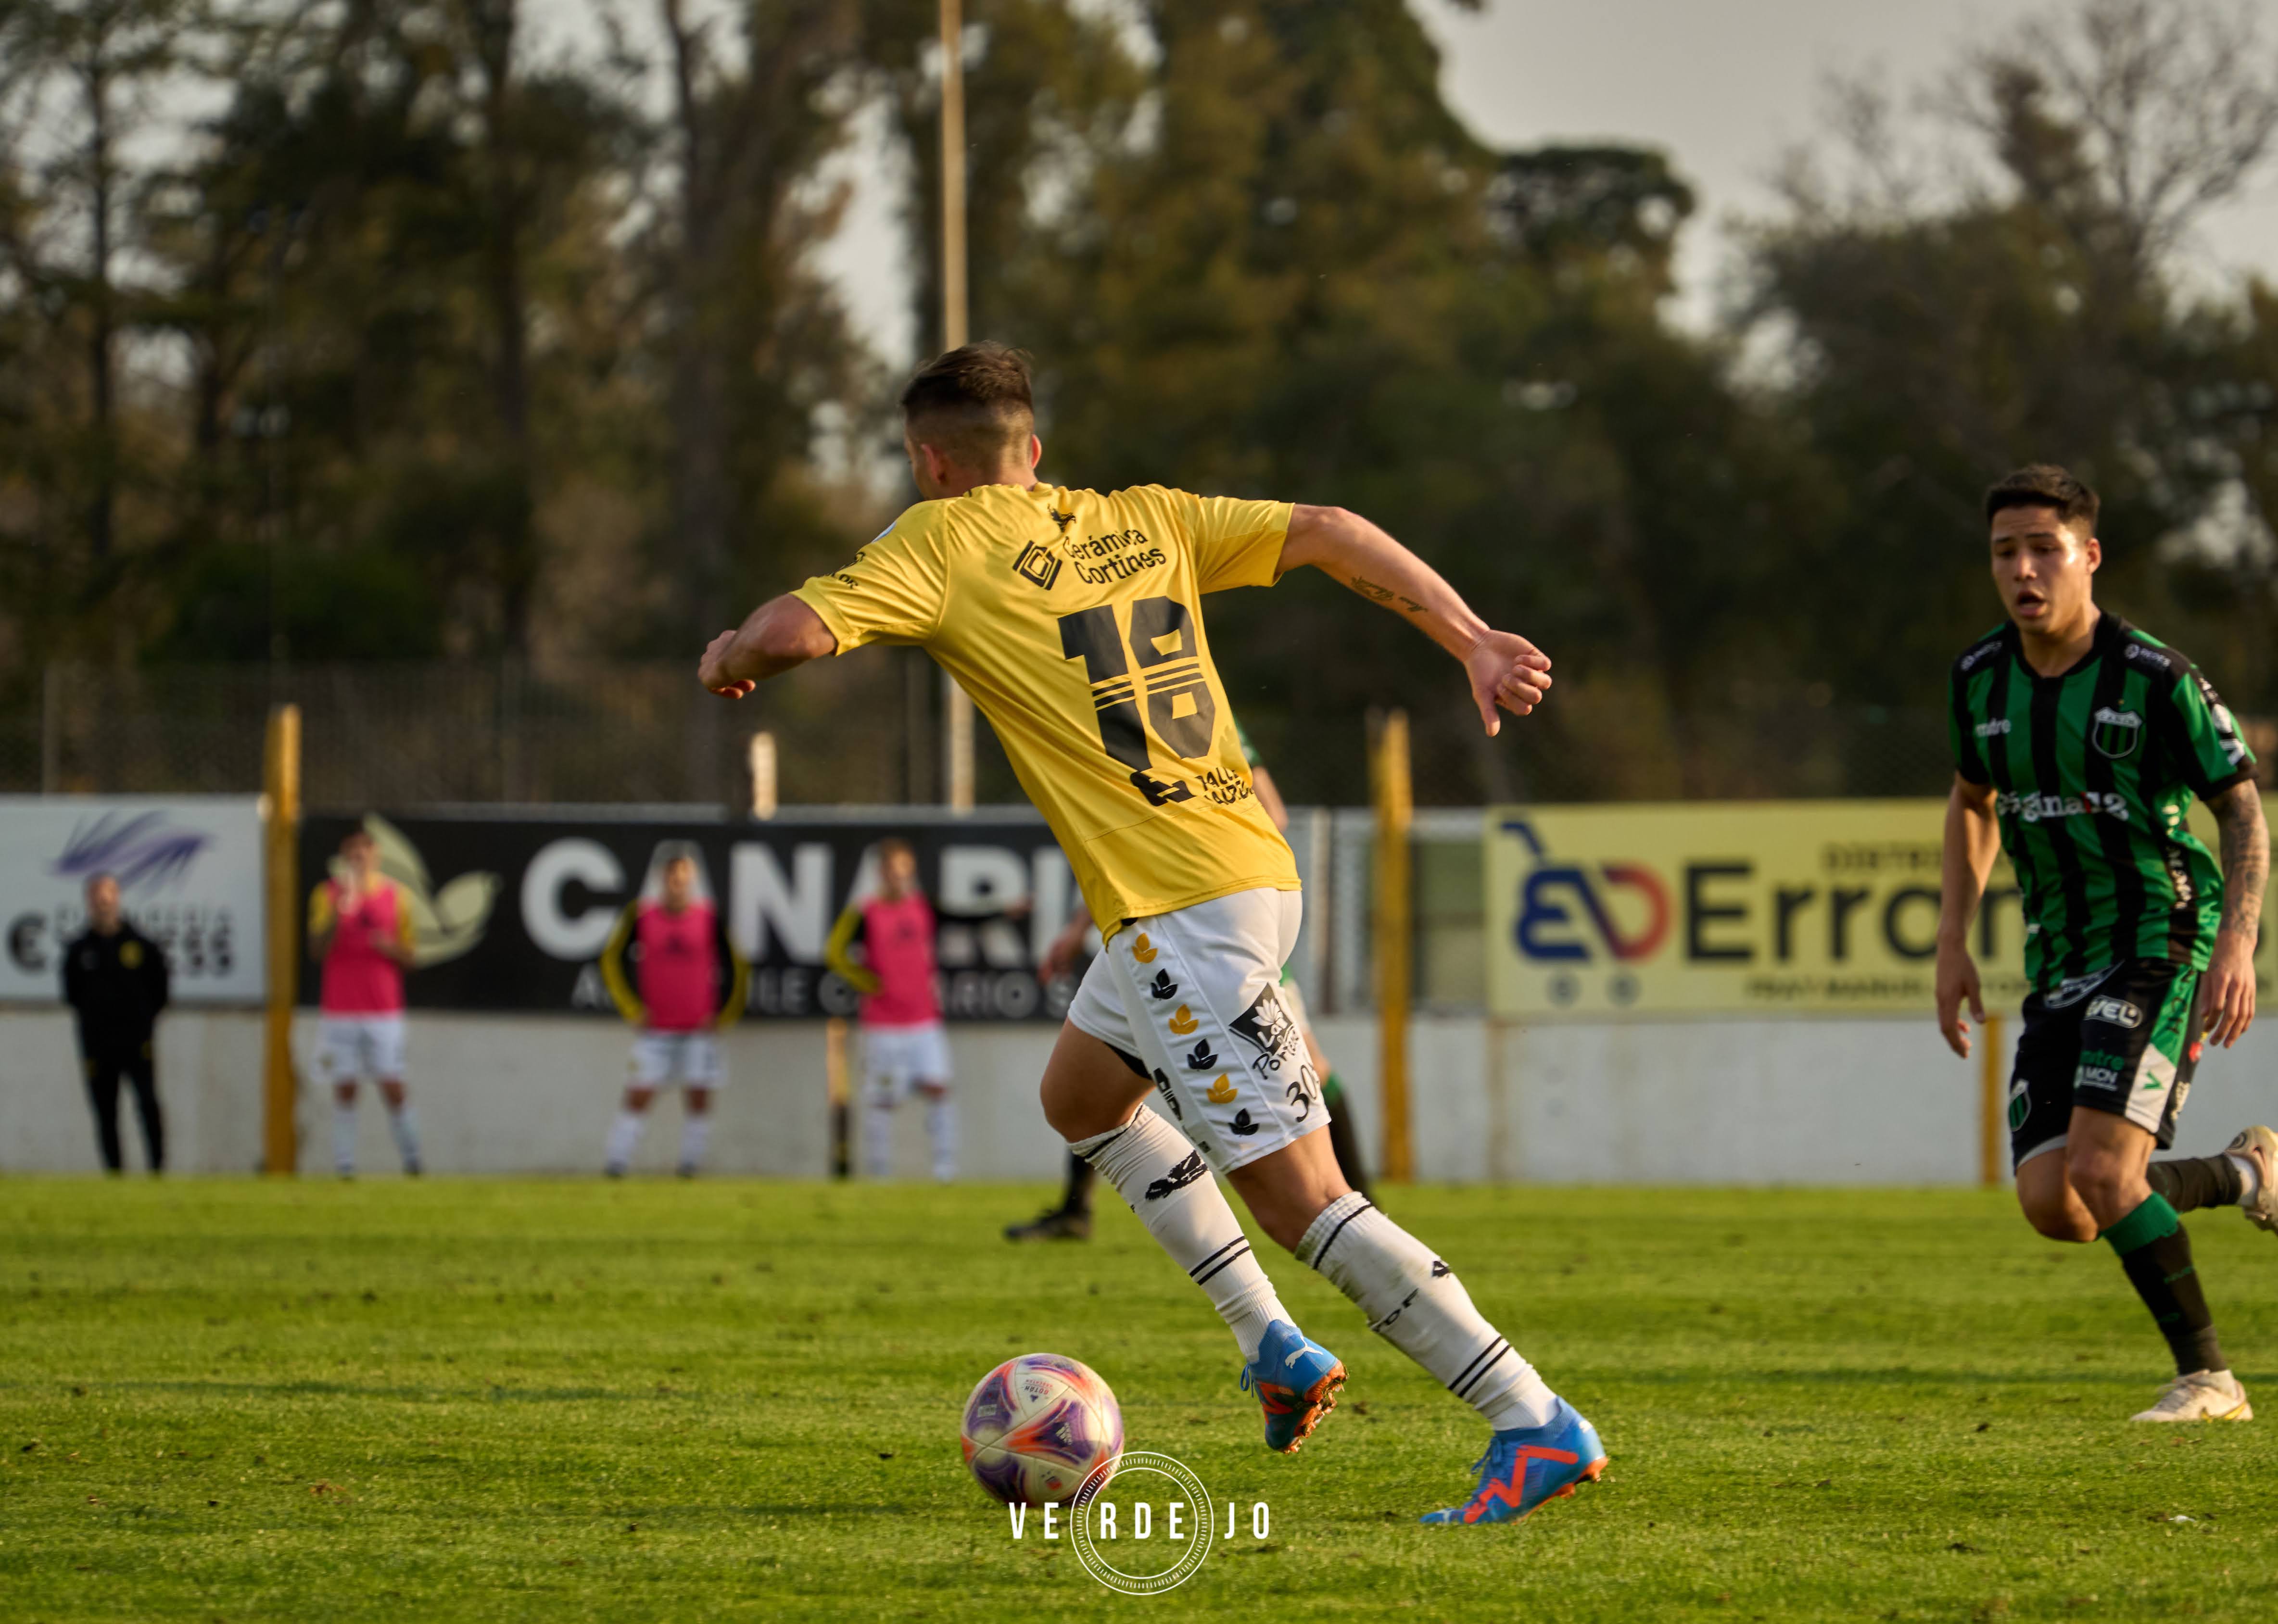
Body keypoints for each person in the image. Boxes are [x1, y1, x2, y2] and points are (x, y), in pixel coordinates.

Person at [698, 342, 1600, 1526]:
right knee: (1080, 1101)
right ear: (1036, 449)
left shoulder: (937, 540)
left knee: (1304, 1203)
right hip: (1227, 874)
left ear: (931, 462)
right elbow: (1327, 525)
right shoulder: (1149, 518)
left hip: (1185, 909)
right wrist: (1472, 637)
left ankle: (1528, 1418)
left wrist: (726, 655)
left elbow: (793, 632)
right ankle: (1271, 1344)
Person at [1936, 464, 2272, 1424]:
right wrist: (1950, 940)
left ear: (2088, 556)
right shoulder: (1977, 680)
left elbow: (2242, 812)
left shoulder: (2153, 677)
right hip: (2059, 955)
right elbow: (1971, 802)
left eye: (2044, 548)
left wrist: (2236, 945)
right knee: (2059, 1203)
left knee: (2099, 1171)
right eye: (2006, 551)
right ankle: (2247, 1175)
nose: (2023, 568)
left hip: (2159, 938)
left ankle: (2210, 1376)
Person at [1007, 726, 1369, 1241]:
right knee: (1092, 1066)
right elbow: (1125, 849)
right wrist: (1076, 928)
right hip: (1170, 920)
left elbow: (1273, 813)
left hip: (1225, 917)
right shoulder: (1126, 708)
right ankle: (1076, 1208)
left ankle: (1359, 1207)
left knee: (1311, 1067)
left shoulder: (1201, 711)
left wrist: (1216, 851)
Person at [599, 845, 747, 1178]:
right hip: (657, 1030)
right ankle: (616, 1163)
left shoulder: (709, 917)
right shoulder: (641, 916)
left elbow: (737, 966)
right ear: (661, 878)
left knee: (698, 1096)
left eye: (684, 876)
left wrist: (723, 1013)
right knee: (638, 1093)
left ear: (692, 879)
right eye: (672, 875)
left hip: (699, 1028)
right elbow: (612, 960)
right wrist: (632, 1007)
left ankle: (690, 1166)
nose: (677, 882)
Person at [824, 837, 957, 1182]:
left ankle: (945, 1171)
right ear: (880, 873)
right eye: (889, 871)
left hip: (925, 1020)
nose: (896, 877)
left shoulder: (923, 906)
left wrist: (1007, 909)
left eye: (902, 870)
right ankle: (880, 1173)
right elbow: (835, 952)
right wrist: (867, 981)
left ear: (909, 871)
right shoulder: (865, 911)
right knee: (881, 1099)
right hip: (883, 1023)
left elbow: (964, 917)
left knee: (939, 1089)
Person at [309, 825, 423, 1177]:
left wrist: (389, 948)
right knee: (345, 1086)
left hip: (383, 1010)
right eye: (351, 856)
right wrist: (339, 915)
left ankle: (413, 1159)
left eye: (364, 855)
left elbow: (411, 956)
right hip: (340, 1009)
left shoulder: (396, 896)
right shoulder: (327, 895)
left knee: (393, 1085)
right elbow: (316, 950)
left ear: (375, 857)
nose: (357, 862)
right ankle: (345, 1166)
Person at [60, 872, 170, 1174]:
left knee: (147, 1104)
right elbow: (71, 995)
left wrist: (140, 1022)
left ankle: (157, 1170)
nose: (103, 901)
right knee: (106, 1112)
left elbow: (160, 993)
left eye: (108, 893)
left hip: (137, 1042)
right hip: (97, 1045)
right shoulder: (79, 950)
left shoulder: (142, 946)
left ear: (117, 897)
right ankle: (115, 1175)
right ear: (89, 901)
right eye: (96, 895)